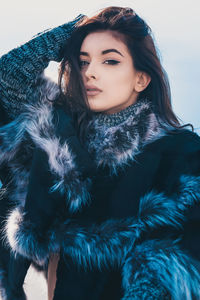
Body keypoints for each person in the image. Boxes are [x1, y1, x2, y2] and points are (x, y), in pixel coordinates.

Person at [1, 5, 200, 300]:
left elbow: (179, 264)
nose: (90, 72)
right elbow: (8, 78)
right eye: (81, 62)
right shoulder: (60, 142)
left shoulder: (180, 154)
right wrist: (75, 28)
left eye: (110, 61)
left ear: (141, 79)